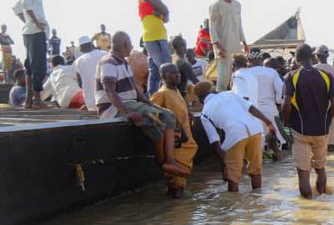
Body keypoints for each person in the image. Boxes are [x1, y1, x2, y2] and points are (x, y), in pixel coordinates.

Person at [96, 31, 190, 178]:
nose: (132, 47)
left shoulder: (124, 63)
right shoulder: (109, 62)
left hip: (131, 102)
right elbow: (110, 91)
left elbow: (136, 91)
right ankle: (165, 161)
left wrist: (151, 104)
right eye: (131, 45)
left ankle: (168, 161)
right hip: (114, 107)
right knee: (160, 118)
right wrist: (127, 112)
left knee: (166, 117)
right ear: (125, 45)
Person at [282, 44, 334, 198]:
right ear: (313, 57)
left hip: (300, 131)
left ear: (297, 59)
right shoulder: (326, 76)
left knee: (303, 173)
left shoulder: (291, 77)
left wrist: (285, 123)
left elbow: (286, 104)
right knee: (320, 169)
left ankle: (310, 209)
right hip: (322, 130)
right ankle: (323, 200)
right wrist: (327, 120)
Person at [197, 80, 275, 193]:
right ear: (212, 90)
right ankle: (258, 198)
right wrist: (268, 123)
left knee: (233, 175)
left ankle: (234, 205)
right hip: (255, 129)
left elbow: (215, 141)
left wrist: (223, 164)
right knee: (255, 169)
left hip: (235, 134)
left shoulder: (204, 114)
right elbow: (251, 108)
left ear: (200, 99)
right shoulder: (229, 94)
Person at [150, 63, 198, 198]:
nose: (177, 75)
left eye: (177, 72)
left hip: (186, 143)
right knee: (177, 184)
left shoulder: (176, 91)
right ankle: (180, 215)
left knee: (176, 185)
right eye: (172, 73)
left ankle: (174, 214)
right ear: (163, 77)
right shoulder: (161, 94)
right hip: (176, 146)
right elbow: (153, 116)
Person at [12, 0, 50, 108]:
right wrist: (36, 23)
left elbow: (17, 9)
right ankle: (37, 100)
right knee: (38, 66)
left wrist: (27, 22)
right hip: (36, 33)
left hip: (29, 33)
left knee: (29, 66)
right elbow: (27, 5)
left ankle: (29, 100)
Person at [209, 0, 249, 91]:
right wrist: (217, 46)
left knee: (238, 70)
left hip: (236, 43)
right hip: (223, 44)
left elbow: (240, 24)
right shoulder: (216, 6)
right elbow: (212, 28)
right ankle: (221, 96)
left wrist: (244, 42)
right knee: (224, 74)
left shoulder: (237, 5)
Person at [137, 0, 170, 94]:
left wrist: (162, 14)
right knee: (165, 67)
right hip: (154, 36)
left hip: (157, 34)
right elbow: (165, 10)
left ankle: (153, 98)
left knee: (155, 72)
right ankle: (168, 95)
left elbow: (166, 17)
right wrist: (162, 14)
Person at [244, 48, 287, 148]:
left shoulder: (245, 73)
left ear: (249, 60)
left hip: (252, 111)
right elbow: (281, 90)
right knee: (280, 138)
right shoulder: (271, 72)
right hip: (270, 108)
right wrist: (278, 101)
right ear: (261, 59)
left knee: (258, 141)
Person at [73, 35, 104, 111]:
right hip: (111, 99)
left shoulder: (78, 62)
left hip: (92, 103)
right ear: (92, 45)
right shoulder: (105, 54)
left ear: (81, 49)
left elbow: (80, 83)